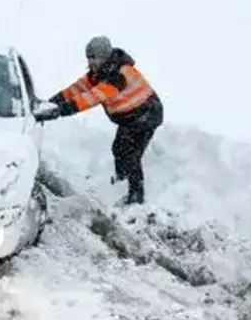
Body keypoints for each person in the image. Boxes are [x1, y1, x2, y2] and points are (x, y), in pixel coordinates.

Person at [46, 35, 164, 205]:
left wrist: (61, 111)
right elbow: (75, 89)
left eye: (95, 57)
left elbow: (93, 97)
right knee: (119, 148)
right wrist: (51, 103)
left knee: (130, 154)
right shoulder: (97, 74)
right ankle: (120, 180)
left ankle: (137, 197)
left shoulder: (119, 74)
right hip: (130, 118)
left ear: (105, 56)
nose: (91, 62)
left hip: (147, 114)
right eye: (89, 57)